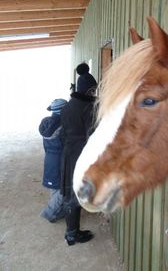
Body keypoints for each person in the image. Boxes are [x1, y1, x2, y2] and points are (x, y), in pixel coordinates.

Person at [60, 62, 98, 246]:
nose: (94, 93)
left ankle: (71, 232)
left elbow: (62, 134)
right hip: (80, 156)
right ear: (85, 90)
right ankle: (72, 234)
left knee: (69, 193)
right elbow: (92, 136)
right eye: (92, 90)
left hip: (68, 154)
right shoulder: (88, 108)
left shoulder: (67, 106)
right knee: (76, 194)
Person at [39, 98, 67, 223]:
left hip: (49, 159)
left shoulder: (46, 123)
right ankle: (49, 212)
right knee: (63, 189)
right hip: (59, 160)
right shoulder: (64, 126)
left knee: (55, 188)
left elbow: (46, 146)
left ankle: (57, 210)